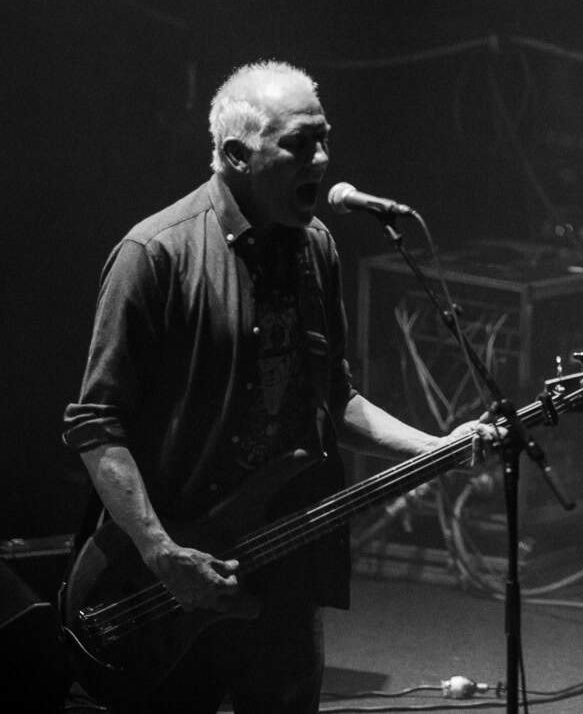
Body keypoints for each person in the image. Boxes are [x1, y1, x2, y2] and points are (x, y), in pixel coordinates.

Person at [63, 60, 488, 712]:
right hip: (173, 577)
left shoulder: (316, 248)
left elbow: (334, 398)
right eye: (299, 144)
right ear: (237, 155)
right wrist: (160, 551)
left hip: (285, 566)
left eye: (324, 138)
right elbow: (98, 426)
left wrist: (439, 449)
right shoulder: (155, 254)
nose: (321, 158)